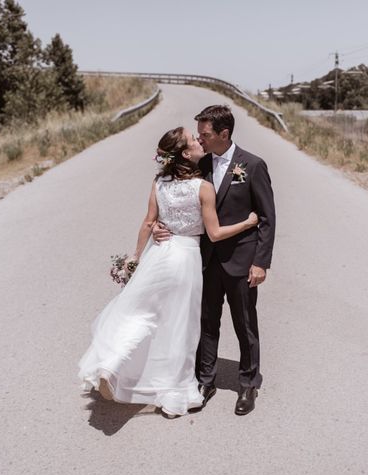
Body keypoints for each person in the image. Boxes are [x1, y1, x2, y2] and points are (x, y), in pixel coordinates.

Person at [78, 126, 259, 418]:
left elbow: (149, 222)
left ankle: (111, 364)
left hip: (159, 256)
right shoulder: (203, 187)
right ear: (186, 154)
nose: (199, 141)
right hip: (185, 259)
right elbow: (213, 233)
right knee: (180, 327)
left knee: (143, 314)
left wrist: (135, 257)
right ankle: (173, 392)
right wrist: (249, 223)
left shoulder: (159, 181)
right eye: (193, 139)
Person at [154, 105, 276, 416]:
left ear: (224, 134)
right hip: (205, 261)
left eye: (205, 134)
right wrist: (159, 225)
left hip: (242, 261)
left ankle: (247, 384)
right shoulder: (200, 163)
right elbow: (175, 194)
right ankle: (205, 380)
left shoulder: (253, 165)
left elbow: (266, 218)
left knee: (245, 325)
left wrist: (261, 262)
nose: (200, 139)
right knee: (207, 323)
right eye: (198, 134)